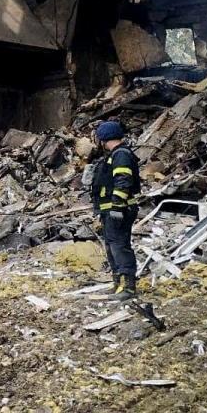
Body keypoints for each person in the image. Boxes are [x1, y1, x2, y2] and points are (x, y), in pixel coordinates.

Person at [91, 120, 141, 300]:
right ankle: (118, 284)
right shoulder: (115, 155)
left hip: (119, 209)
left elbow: (123, 182)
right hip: (110, 210)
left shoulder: (121, 155)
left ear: (103, 138)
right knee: (112, 247)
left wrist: (117, 208)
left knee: (120, 246)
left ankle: (128, 287)